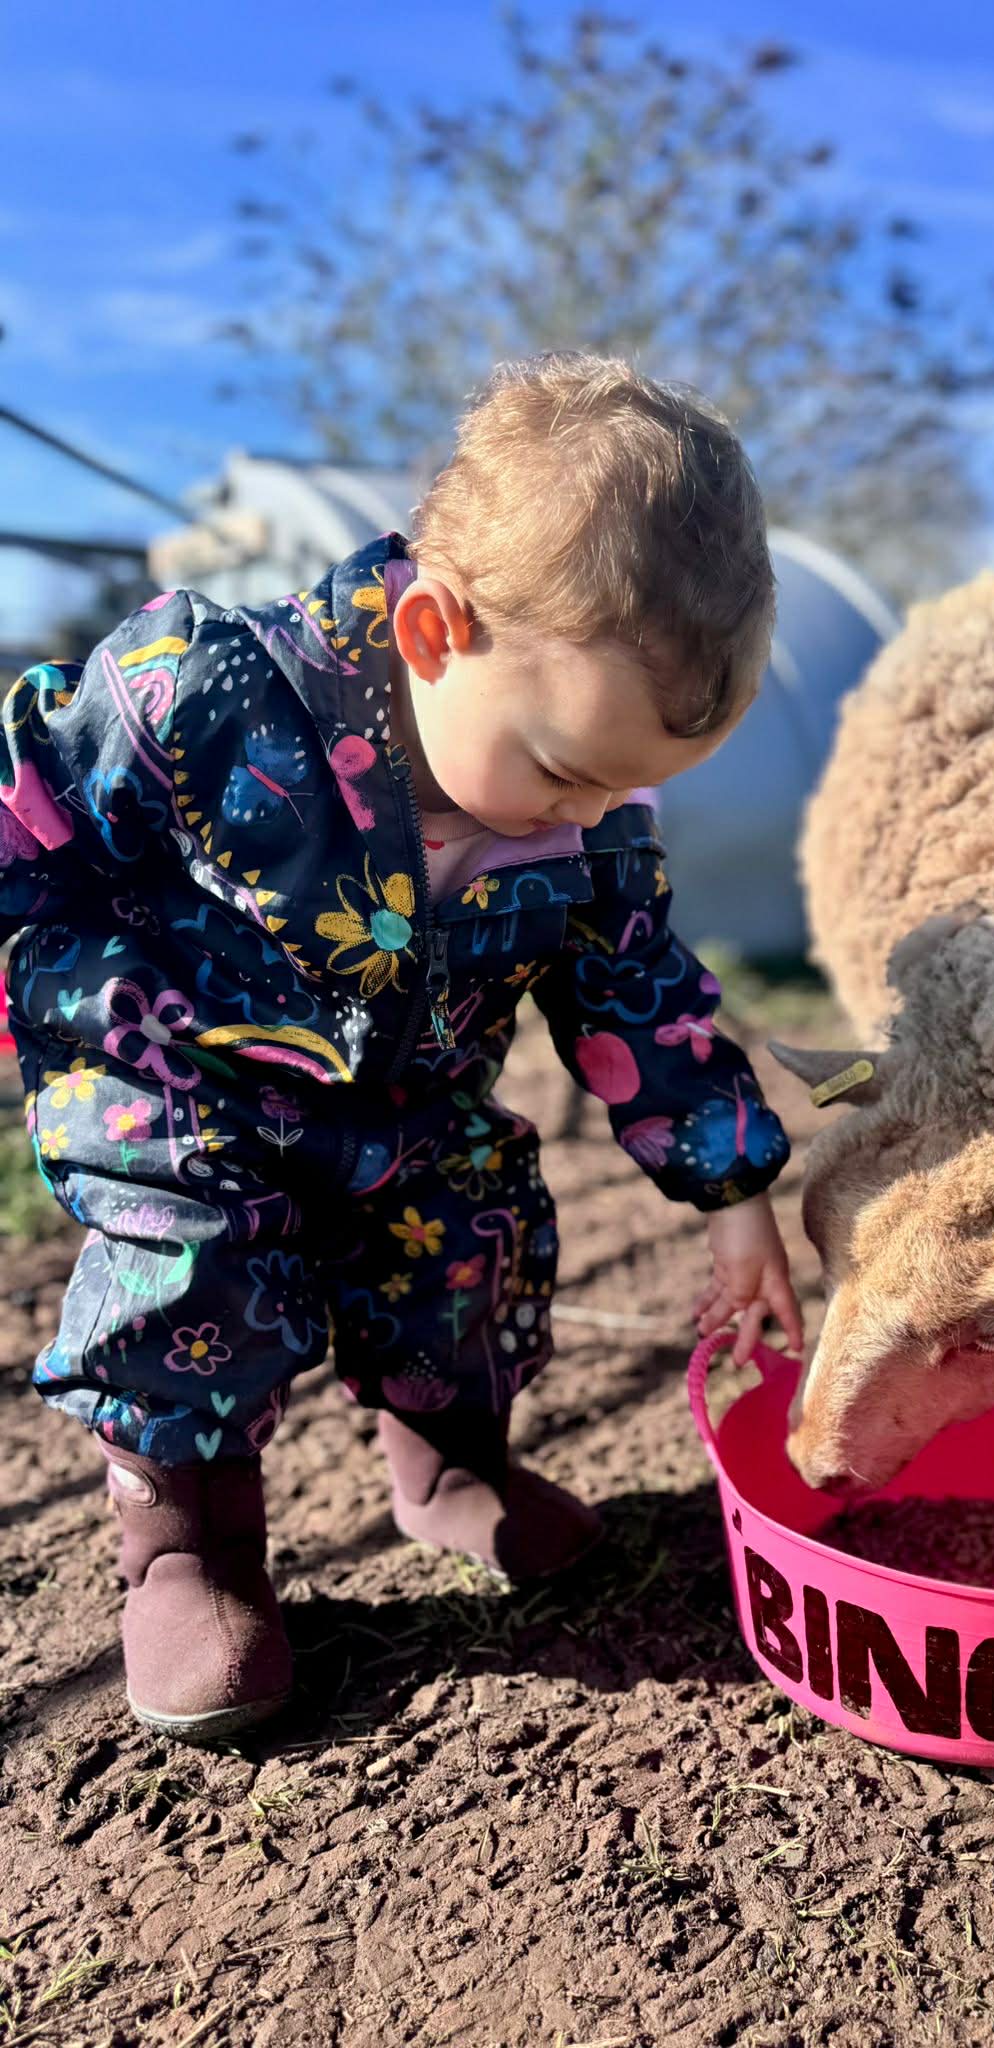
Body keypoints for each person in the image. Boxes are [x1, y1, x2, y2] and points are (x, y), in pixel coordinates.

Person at [0, 353, 803, 1741]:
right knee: (193, 1261)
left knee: (473, 1223)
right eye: (565, 769)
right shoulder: (208, 693)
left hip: (403, 1102)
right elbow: (35, 798)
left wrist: (735, 1202)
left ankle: (449, 1462)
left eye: (634, 784)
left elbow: (641, 996)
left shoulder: (598, 826)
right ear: (435, 633)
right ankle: (186, 1544)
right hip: (176, 1078)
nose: (596, 810)